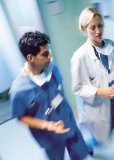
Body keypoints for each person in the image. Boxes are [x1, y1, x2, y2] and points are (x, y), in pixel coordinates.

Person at [9, 31, 90, 160]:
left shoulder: (53, 69)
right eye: (45, 54)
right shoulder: (19, 90)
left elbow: (59, 95)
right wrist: (48, 125)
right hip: (49, 136)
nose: (50, 56)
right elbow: (21, 117)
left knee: (80, 155)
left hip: (69, 124)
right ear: (30, 58)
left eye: (49, 51)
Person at [71, 7, 114, 160]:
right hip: (98, 107)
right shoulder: (80, 56)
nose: (98, 31)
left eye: (100, 25)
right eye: (92, 27)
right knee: (101, 139)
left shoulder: (112, 45)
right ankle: (86, 147)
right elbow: (78, 88)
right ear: (84, 28)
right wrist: (100, 92)